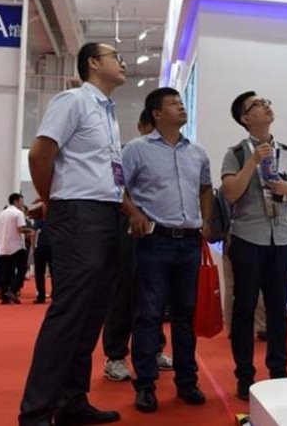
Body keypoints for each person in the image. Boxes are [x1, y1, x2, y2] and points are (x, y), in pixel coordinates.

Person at [20, 42, 136, 426]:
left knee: (92, 314)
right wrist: (52, 199)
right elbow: (39, 154)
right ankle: (36, 411)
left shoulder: (108, 112)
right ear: (92, 63)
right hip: (77, 213)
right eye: (113, 56)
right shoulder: (73, 101)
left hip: (107, 214)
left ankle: (72, 401)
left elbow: (108, 172)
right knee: (70, 313)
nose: (122, 61)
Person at [123, 87, 213, 413]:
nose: (181, 106)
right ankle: (145, 384)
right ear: (157, 114)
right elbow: (116, 186)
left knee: (185, 316)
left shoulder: (198, 153)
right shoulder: (135, 150)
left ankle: (187, 381)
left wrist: (206, 219)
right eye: (173, 103)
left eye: (181, 102)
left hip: (189, 243)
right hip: (153, 242)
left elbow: (206, 187)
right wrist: (134, 213)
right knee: (148, 314)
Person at [221, 91, 287, 402]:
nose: (266, 105)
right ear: (245, 118)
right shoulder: (237, 153)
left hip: (281, 236)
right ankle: (245, 375)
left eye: (266, 102)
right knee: (244, 308)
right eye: (257, 105)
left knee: (278, 309)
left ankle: (279, 370)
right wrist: (254, 161)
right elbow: (230, 193)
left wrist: (286, 188)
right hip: (248, 237)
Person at [102, 109, 173, 384]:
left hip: (160, 234)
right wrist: (133, 214)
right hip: (128, 232)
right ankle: (116, 356)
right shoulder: (127, 152)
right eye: (151, 128)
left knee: (156, 295)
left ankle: (154, 349)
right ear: (143, 125)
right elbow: (115, 189)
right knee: (125, 294)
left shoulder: (170, 155)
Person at [0, 193, 32, 305]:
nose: (22, 203)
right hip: (17, 245)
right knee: (22, 269)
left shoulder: (2, 213)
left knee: (6, 271)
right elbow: (21, 229)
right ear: (16, 201)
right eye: (21, 201)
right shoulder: (18, 213)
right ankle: (13, 290)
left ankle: (4, 296)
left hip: (4, 246)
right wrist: (30, 230)